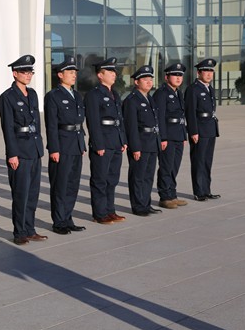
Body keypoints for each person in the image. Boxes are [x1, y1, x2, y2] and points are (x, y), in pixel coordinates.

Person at [0, 55, 47, 245]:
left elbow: (37, 122)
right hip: (19, 151)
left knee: (33, 194)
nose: (28, 75)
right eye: (24, 72)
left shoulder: (32, 94)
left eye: (30, 72)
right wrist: (12, 153)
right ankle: (19, 232)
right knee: (21, 194)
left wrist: (39, 145)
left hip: (34, 149)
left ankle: (30, 229)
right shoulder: (7, 97)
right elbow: (8, 128)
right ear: (15, 73)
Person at [44, 56, 87, 235]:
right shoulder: (53, 96)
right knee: (60, 185)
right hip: (62, 145)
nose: (74, 75)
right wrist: (54, 149)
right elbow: (51, 125)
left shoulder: (77, 95)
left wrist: (82, 145)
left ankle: (68, 218)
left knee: (72, 185)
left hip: (76, 144)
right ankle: (59, 221)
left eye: (75, 72)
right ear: (60, 75)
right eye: (70, 72)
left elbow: (80, 123)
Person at [84, 57, 128, 224]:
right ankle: (100, 213)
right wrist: (98, 144)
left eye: (114, 71)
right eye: (109, 71)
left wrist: (123, 140)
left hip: (116, 141)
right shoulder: (94, 95)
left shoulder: (115, 94)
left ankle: (110, 210)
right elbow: (93, 122)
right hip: (103, 142)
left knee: (112, 179)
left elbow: (120, 119)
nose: (114, 74)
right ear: (100, 75)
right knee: (100, 179)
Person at [123, 65, 161, 216]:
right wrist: (135, 147)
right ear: (136, 82)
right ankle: (138, 206)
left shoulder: (150, 98)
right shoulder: (132, 100)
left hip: (152, 142)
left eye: (150, 79)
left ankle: (146, 203)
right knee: (138, 176)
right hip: (141, 143)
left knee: (148, 176)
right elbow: (131, 126)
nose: (149, 82)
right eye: (145, 79)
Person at [153, 62, 189, 209]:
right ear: (167, 77)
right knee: (166, 167)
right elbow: (160, 117)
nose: (178, 78)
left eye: (180, 75)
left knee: (175, 167)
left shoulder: (178, 93)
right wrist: (163, 138)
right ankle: (165, 197)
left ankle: (172, 194)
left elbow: (181, 115)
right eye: (175, 75)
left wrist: (184, 135)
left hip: (178, 134)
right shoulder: (161, 93)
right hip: (167, 135)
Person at [185, 58, 221, 201]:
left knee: (207, 162)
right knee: (198, 161)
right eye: (206, 71)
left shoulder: (209, 88)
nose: (209, 74)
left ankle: (206, 190)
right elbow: (190, 112)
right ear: (198, 73)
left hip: (210, 128)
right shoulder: (193, 89)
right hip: (199, 129)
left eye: (211, 71)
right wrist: (193, 131)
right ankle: (198, 191)